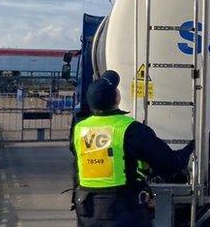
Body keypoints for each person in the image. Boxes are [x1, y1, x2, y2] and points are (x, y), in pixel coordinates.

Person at [71, 70, 194, 226]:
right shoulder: (130, 129)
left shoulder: (80, 128)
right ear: (116, 98)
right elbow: (170, 163)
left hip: (87, 210)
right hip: (122, 210)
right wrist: (190, 148)